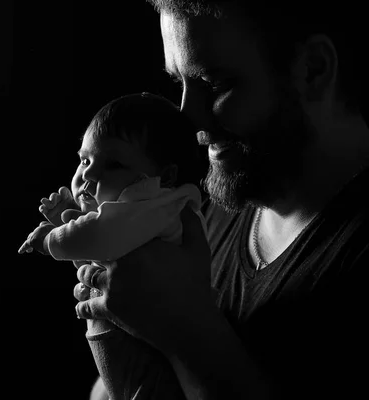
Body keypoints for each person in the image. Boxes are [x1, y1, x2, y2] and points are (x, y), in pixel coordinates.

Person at [72, 1, 369, 399]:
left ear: (313, 70)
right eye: (179, 85)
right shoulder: (209, 203)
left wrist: (184, 329)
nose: (187, 120)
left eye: (213, 85)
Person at [19, 92, 207, 399]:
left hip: (151, 355)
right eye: (85, 160)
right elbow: (103, 242)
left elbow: (100, 237)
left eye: (114, 164)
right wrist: (73, 218)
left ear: (165, 176)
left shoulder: (159, 204)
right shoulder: (135, 213)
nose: (89, 174)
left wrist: (49, 239)